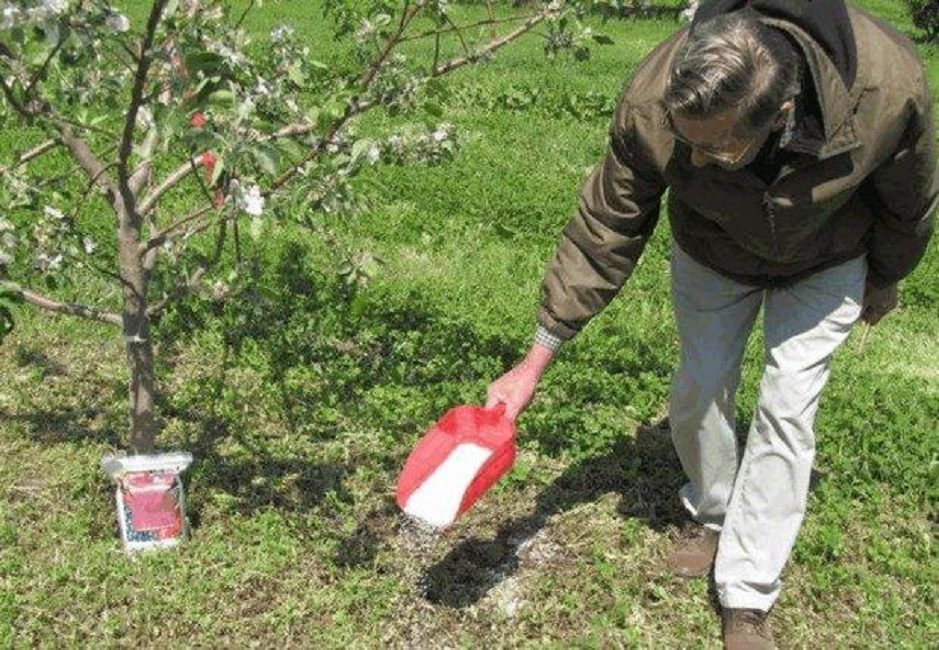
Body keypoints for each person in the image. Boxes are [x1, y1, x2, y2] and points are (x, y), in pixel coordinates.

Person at [484, 1, 937, 648]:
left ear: (782, 112)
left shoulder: (886, 86)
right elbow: (607, 224)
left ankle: (748, 594)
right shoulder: (655, 98)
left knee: (787, 408)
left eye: (716, 146)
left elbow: (909, 198)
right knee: (698, 388)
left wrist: (886, 277)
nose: (694, 157)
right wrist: (535, 358)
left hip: (828, 257)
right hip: (712, 252)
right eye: (685, 138)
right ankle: (710, 511)